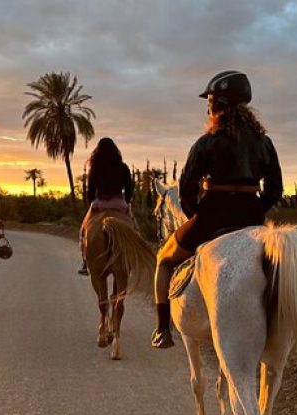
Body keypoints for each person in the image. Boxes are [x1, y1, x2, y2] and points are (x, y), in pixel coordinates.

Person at [151, 70, 283, 348]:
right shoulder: (265, 143)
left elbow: (187, 187)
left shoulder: (207, 142)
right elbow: (275, 189)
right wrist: (255, 211)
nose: (208, 106)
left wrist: (198, 215)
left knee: (163, 260)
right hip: (252, 219)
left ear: (218, 104)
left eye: (209, 100)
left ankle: (163, 329)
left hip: (212, 217)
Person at [78, 137, 135, 275]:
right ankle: (133, 259)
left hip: (100, 204)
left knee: (83, 231)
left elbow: (90, 190)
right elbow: (129, 188)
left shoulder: (95, 167)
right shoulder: (123, 167)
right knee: (134, 228)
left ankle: (86, 262)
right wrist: (126, 202)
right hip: (119, 203)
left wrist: (91, 205)